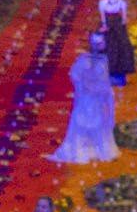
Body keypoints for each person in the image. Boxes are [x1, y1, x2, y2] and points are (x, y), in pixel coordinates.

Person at [46, 32, 120, 163]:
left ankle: (94, 150)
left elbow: (103, 80)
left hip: (97, 97)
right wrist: (87, 85)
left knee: (96, 123)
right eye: (101, 42)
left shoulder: (102, 59)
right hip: (89, 97)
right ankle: (83, 151)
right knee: (84, 123)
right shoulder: (87, 59)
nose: (104, 44)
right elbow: (76, 75)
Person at [99, 0, 136, 87]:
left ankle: (120, 74)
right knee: (108, 47)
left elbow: (124, 18)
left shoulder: (121, 2)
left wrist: (120, 26)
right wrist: (104, 25)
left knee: (121, 47)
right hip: (108, 24)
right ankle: (108, 74)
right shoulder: (103, 3)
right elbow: (103, 16)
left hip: (118, 26)